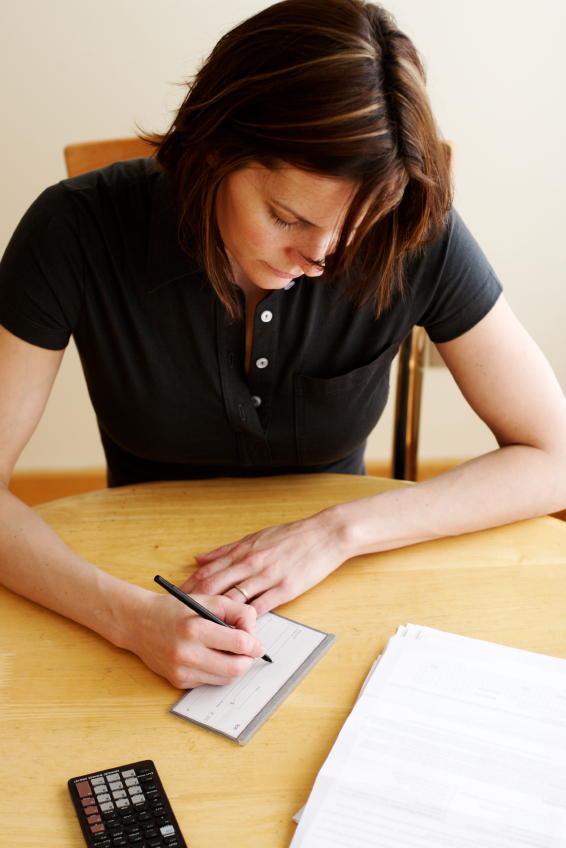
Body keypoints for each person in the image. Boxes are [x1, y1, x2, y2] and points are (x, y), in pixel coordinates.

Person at [1, 0, 565, 689]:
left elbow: (554, 455)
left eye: (349, 229)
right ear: (212, 148)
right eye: (285, 217)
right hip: (140, 588)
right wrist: (128, 618)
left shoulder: (405, 230)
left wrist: (337, 532)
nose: (321, 257)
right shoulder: (75, 230)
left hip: (345, 579)